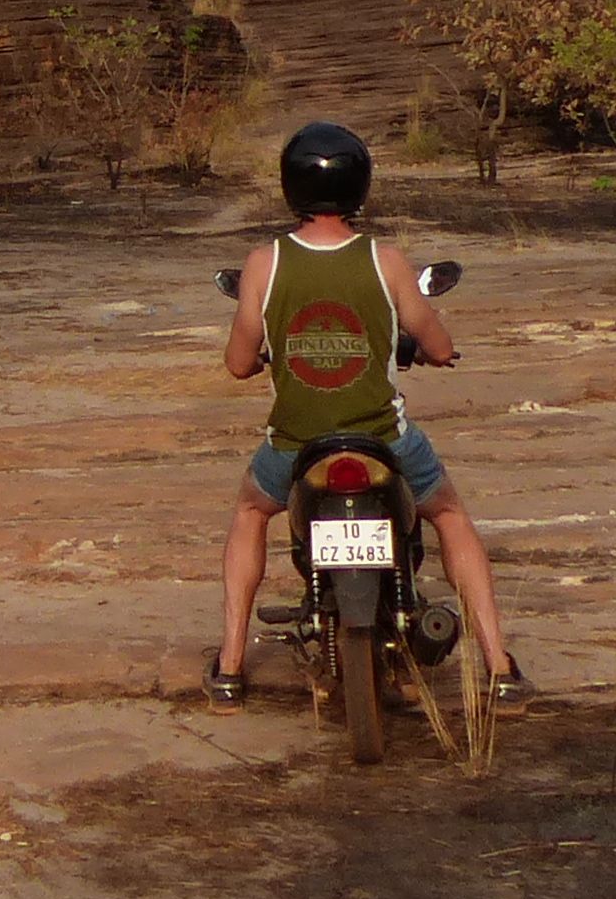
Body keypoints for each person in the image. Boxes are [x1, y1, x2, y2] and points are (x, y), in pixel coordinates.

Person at [206, 118, 520, 705]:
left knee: (251, 510)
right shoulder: (387, 261)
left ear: (290, 187)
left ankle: (228, 666)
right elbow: (438, 344)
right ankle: (500, 667)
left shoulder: (264, 264)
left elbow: (238, 362)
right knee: (449, 513)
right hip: (384, 439)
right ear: (361, 185)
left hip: (295, 444)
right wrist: (432, 352)